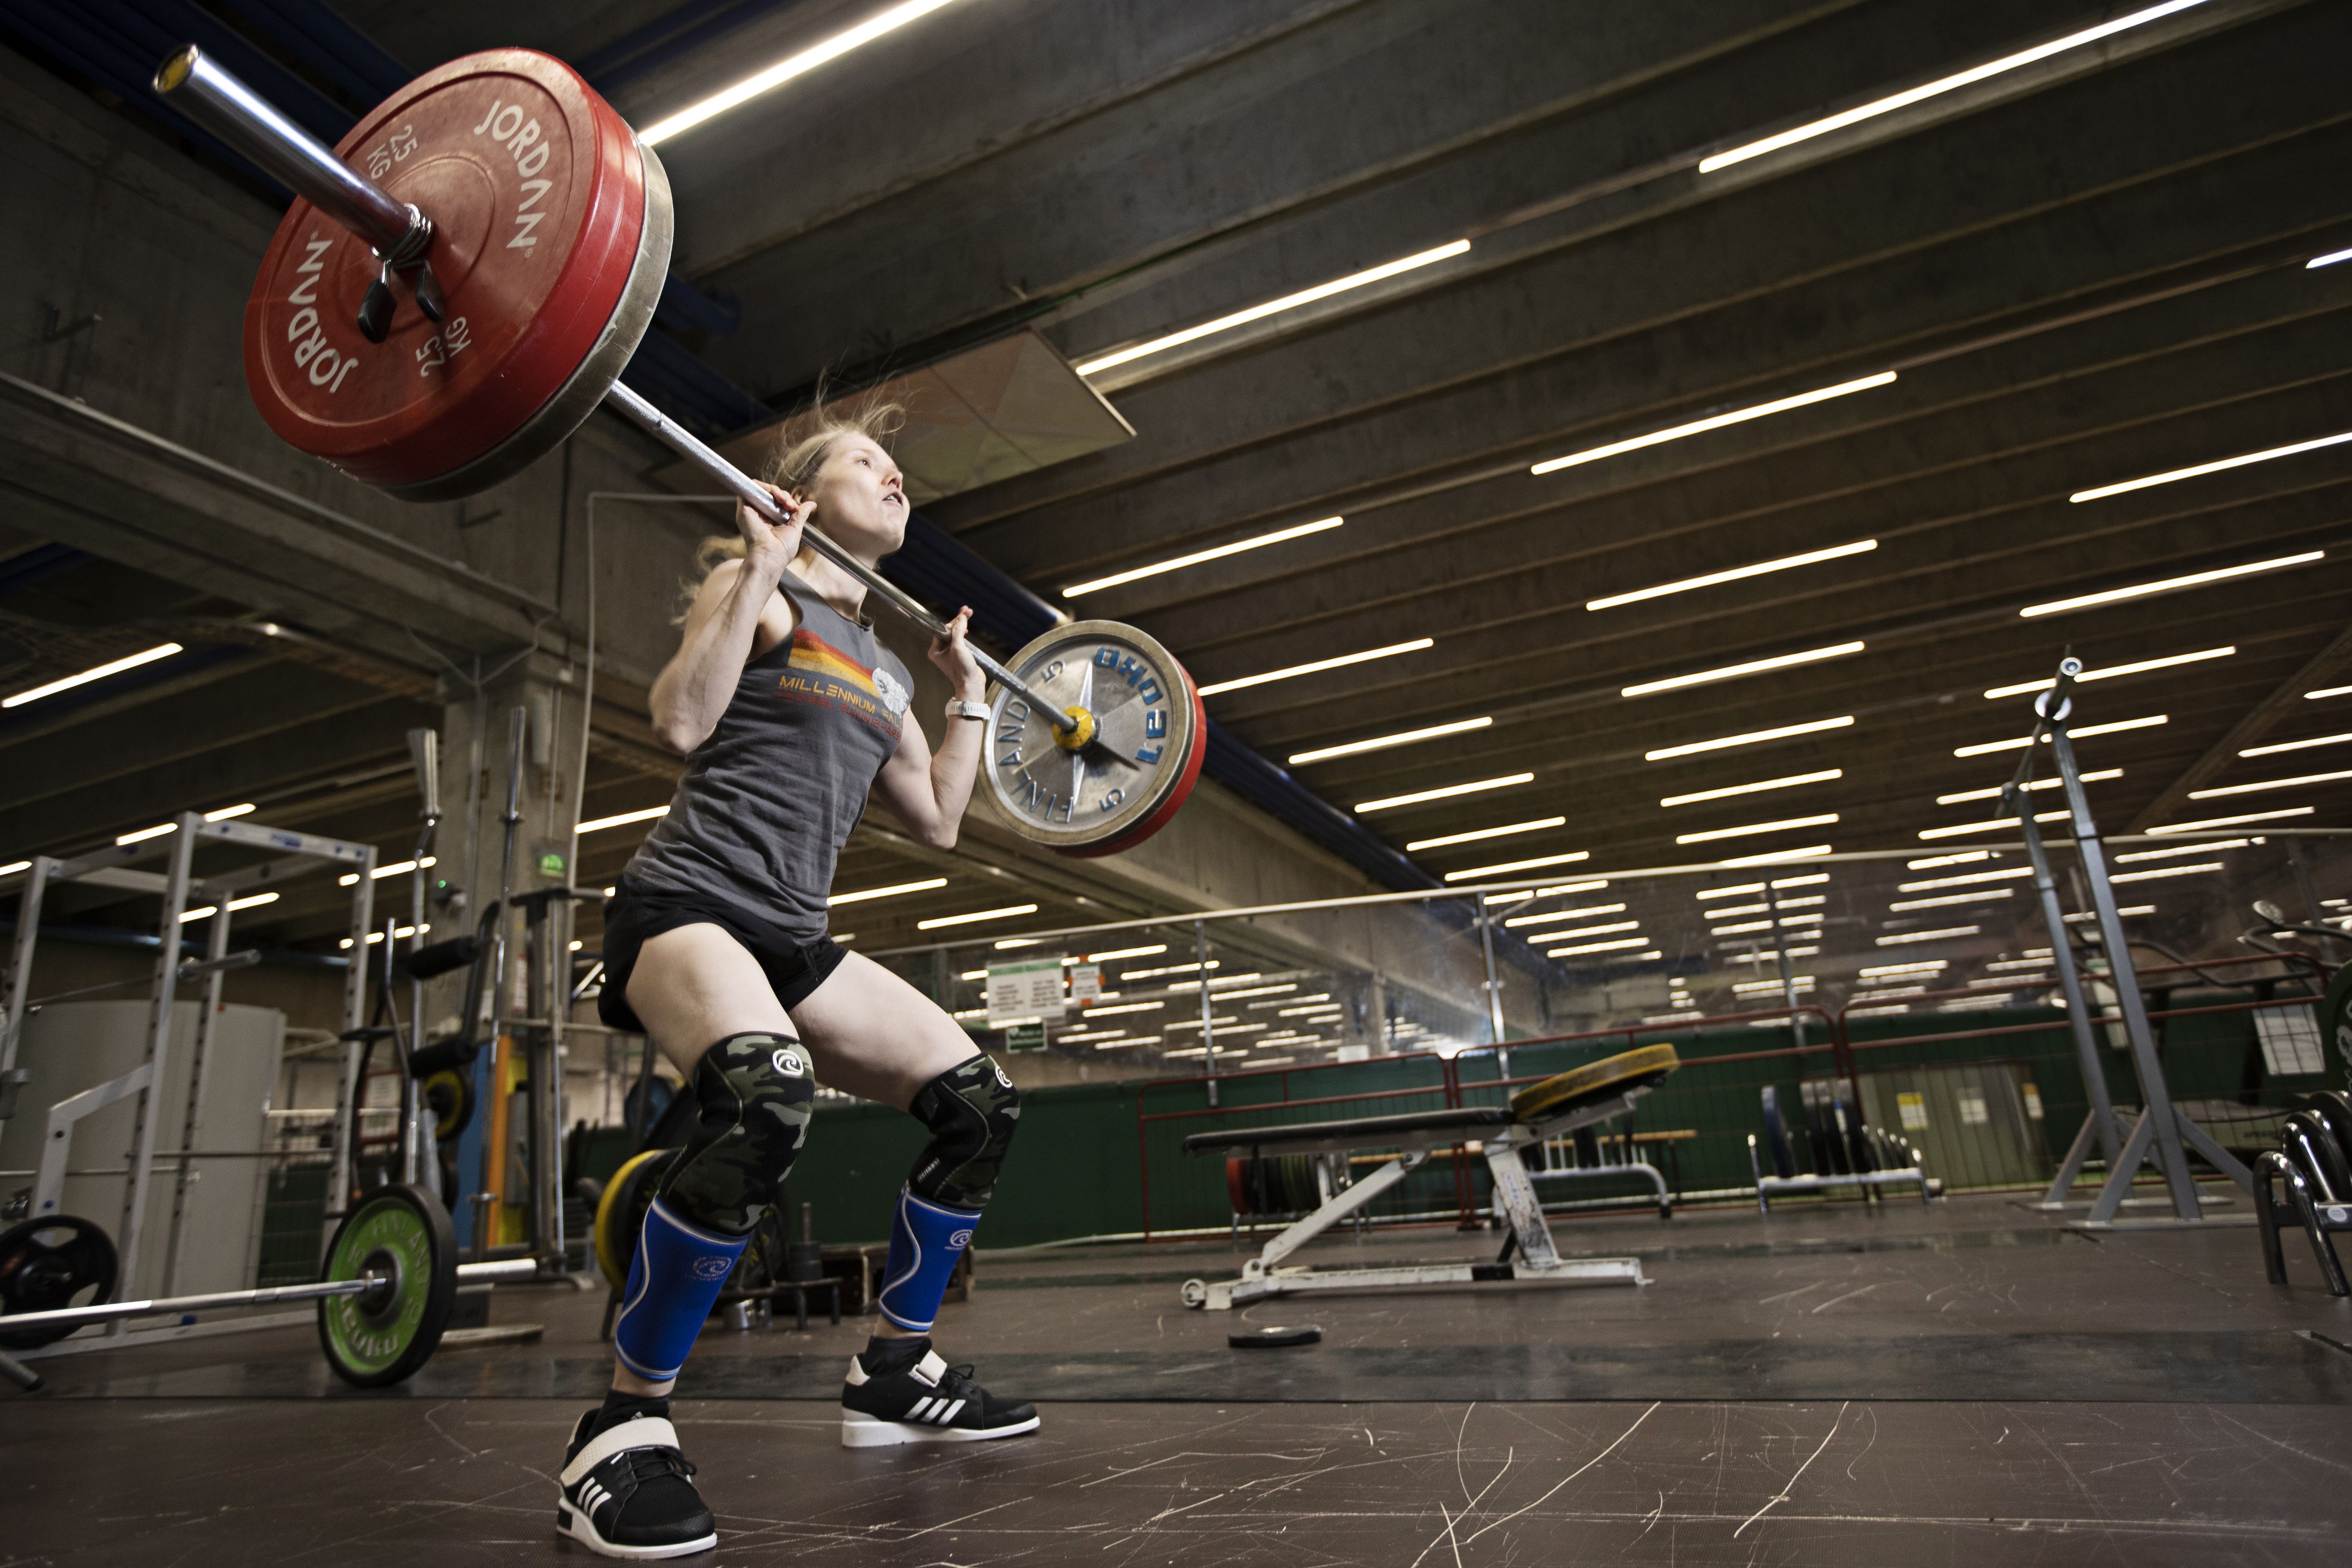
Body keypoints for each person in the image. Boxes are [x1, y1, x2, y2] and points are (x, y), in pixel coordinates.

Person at [555, 406, 1034, 1561]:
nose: (893, 471)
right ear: (806, 497)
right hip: (685, 910)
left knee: (980, 1104)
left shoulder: (880, 669)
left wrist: (964, 692)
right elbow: (679, 717)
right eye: (866, 460)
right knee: (768, 1098)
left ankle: (893, 1367)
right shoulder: (767, 598)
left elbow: (938, 821)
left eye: (897, 464)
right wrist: (763, 563)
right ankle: (619, 1431)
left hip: (789, 937)